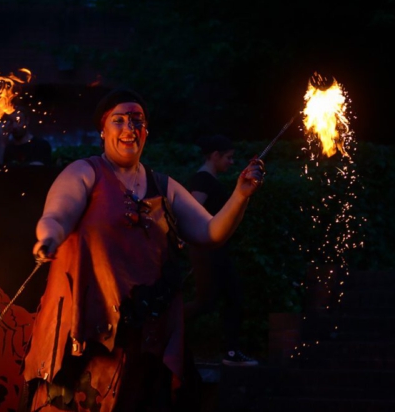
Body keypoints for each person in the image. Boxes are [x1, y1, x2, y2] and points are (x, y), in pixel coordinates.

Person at [20, 88, 265, 411]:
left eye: (137, 121)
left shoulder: (163, 186)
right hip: (90, 335)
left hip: (147, 338)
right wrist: (48, 237)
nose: (129, 128)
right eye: (118, 120)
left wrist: (240, 195)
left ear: (146, 131)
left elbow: (210, 232)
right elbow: (56, 215)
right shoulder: (84, 172)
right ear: (103, 130)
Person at [184, 134, 259, 367]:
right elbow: (192, 212)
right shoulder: (203, 180)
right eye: (228, 157)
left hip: (215, 249)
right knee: (208, 301)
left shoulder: (209, 179)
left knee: (231, 297)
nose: (231, 162)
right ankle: (166, 334)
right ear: (214, 155)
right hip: (206, 250)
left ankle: (231, 352)